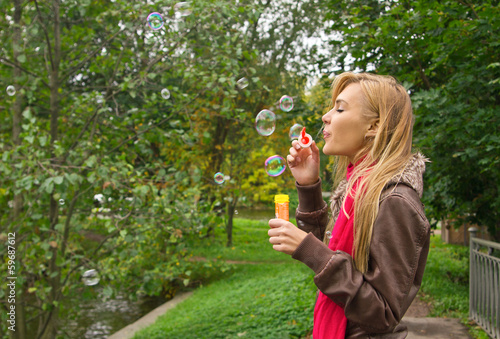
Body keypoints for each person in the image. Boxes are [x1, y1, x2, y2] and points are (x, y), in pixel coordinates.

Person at [267, 72, 431, 338]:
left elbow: (382, 313)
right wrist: (309, 186)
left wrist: (308, 249)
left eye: (340, 108)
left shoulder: (395, 202)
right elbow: (335, 251)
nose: (326, 116)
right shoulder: (357, 187)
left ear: (374, 126)